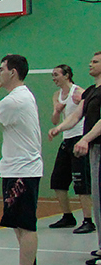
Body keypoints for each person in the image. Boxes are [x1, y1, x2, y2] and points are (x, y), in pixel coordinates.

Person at [0, 54, 43, 265]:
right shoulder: (23, 96)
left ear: (13, 72)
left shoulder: (13, 100)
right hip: (20, 168)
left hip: (22, 170)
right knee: (19, 223)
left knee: (25, 225)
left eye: (1, 69)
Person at [50, 51, 101, 265]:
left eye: (95, 62)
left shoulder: (86, 91)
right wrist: (59, 127)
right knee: (97, 198)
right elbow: (76, 115)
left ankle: (90, 224)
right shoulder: (90, 92)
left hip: (93, 144)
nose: (90, 64)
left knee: (94, 192)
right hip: (92, 148)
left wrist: (85, 139)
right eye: (90, 61)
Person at [47, 64, 94, 233]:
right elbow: (54, 120)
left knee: (81, 182)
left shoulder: (79, 92)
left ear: (66, 75)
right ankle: (67, 216)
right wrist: (57, 111)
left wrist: (82, 102)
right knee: (57, 181)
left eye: (56, 75)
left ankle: (88, 220)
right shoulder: (56, 95)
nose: (54, 78)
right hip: (66, 140)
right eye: (52, 75)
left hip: (78, 138)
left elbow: (86, 113)